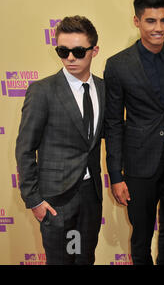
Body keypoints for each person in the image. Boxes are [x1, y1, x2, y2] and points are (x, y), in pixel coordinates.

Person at [103, 0, 164, 265]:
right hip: (140, 164)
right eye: (151, 21)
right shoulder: (117, 65)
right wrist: (116, 175)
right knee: (141, 235)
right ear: (137, 21)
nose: (159, 28)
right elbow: (114, 123)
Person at [16, 16, 104, 265]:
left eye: (78, 51)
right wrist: (34, 200)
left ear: (94, 50)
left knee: (85, 259)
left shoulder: (103, 88)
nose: (70, 58)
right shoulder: (42, 91)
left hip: (90, 195)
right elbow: (24, 149)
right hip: (55, 199)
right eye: (63, 51)